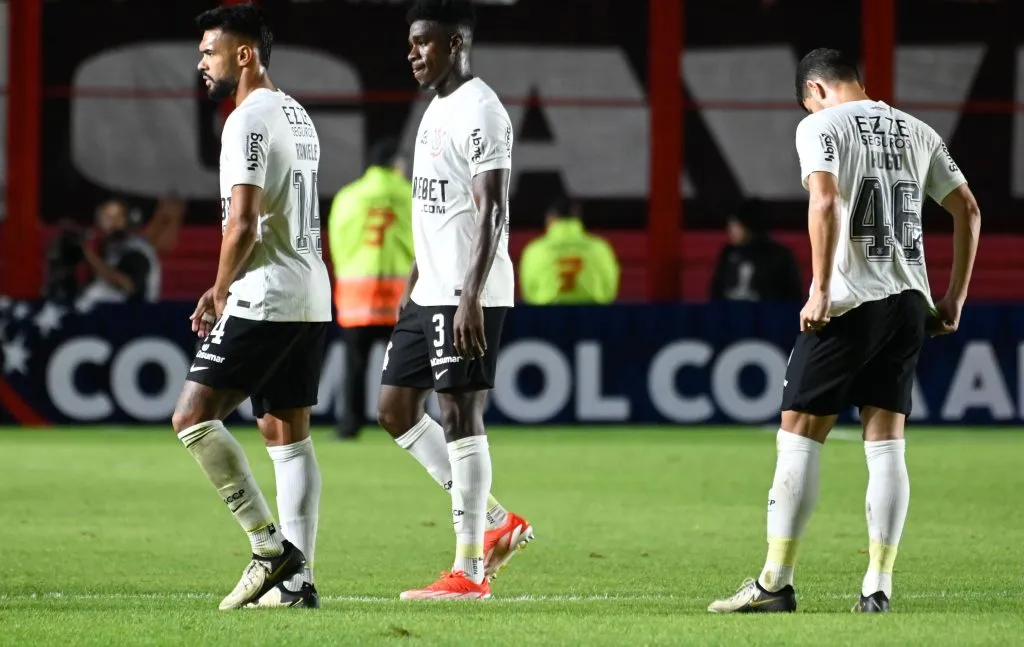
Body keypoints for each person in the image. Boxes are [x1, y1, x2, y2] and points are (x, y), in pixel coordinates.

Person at [708, 48, 980, 614]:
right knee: (886, 442)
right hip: (909, 301)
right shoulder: (918, 130)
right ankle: (878, 586)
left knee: (799, 432)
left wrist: (820, 288)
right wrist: (953, 298)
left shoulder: (820, 126)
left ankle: (775, 583)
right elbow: (969, 211)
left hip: (851, 299)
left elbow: (826, 198)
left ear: (814, 89)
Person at [171, 3, 331, 610]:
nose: (201, 63)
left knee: (192, 416)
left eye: (209, 52)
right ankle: (297, 583)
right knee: (286, 434)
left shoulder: (246, 120)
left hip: (267, 294)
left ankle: (269, 549)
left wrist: (219, 291)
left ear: (243, 55)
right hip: (310, 292)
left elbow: (243, 221)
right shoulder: (295, 112)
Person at [377, 0, 533, 601]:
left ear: (456, 43)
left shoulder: (481, 110)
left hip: (468, 291)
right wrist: (415, 283)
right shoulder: (435, 109)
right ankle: (495, 520)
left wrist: (469, 294)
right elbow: (434, 207)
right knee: (394, 409)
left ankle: (469, 570)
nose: (411, 53)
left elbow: (492, 210)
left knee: (460, 415)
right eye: (410, 42)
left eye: (423, 42)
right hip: (430, 291)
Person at [328, 137, 415, 440]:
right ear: (396, 164)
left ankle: (349, 426)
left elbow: (337, 242)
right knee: (409, 364)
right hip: (401, 296)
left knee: (355, 365)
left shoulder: (348, 197)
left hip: (357, 295)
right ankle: (410, 422)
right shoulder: (411, 195)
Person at [518, 197, 620, 305]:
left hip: (546, 314)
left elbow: (529, 293)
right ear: (578, 220)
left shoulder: (535, 250)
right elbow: (609, 290)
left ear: (550, 219)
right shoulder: (600, 249)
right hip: (593, 313)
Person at [74, 198, 161, 311]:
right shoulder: (109, 245)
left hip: (138, 313)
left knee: (96, 293)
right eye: (107, 217)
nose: (111, 223)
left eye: (117, 217)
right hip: (113, 312)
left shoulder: (137, 249)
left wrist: (89, 254)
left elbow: (128, 286)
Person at [708, 199, 803, 302]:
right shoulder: (729, 253)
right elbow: (716, 293)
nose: (730, 230)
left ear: (749, 226)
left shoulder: (780, 257)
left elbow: (792, 297)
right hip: (729, 312)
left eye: (736, 225)